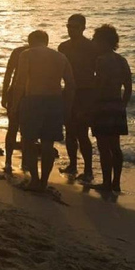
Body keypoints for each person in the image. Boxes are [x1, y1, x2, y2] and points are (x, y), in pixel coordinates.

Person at [13, 30, 76, 191]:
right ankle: (44, 182)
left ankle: (34, 179)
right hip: (54, 101)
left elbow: (20, 82)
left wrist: (14, 105)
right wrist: (67, 107)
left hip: (33, 100)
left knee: (29, 141)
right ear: (46, 42)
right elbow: (70, 84)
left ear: (30, 41)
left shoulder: (27, 54)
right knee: (48, 144)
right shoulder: (61, 57)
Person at [57, 14, 99, 180]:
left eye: (74, 27)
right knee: (69, 131)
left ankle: (88, 170)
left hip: (85, 92)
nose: (70, 29)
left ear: (83, 28)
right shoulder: (63, 47)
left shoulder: (91, 47)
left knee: (82, 132)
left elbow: (98, 71)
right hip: (68, 92)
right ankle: (73, 164)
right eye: (69, 26)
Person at [91, 25, 131, 193]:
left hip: (103, 104)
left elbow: (100, 84)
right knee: (115, 146)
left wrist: (92, 104)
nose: (93, 43)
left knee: (103, 146)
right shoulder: (121, 60)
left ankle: (106, 182)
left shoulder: (101, 60)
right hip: (116, 104)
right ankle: (116, 182)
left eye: (95, 40)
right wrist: (123, 104)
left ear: (103, 41)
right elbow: (128, 86)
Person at [1, 41, 30, 173]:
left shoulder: (18, 51)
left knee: (14, 127)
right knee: (24, 130)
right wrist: (4, 94)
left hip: (25, 94)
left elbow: (8, 74)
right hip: (30, 94)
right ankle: (16, 161)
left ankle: (10, 161)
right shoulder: (20, 52)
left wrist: (4, 94)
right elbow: (8, 73)